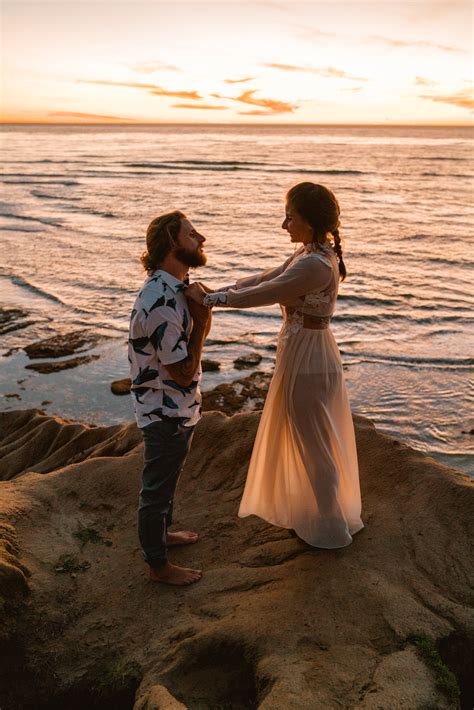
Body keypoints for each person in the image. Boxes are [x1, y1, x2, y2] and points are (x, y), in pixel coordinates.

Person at [186, 182, 363, 549]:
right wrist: (218, 288)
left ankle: (330, 526)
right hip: (303, 352)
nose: (284, 225)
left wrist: (213, 300)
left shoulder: (315, 264)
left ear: (310, 221)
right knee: (309, 437)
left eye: (290, 217)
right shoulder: (309, 253)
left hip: (310, 359)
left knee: (314, 442)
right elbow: (264, 279)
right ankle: (320, 513)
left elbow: (267, 294)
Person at [128, 210, 211, 585]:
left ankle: (162, 536)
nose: (202, 239)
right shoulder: (160, 299)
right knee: (157, 490)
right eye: (192, 234)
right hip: (163, 409)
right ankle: (158, 566)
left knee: (168, 479)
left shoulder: (178, 288)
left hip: (178, 406)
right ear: (171, 243)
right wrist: (203, 326)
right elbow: (181, 370)